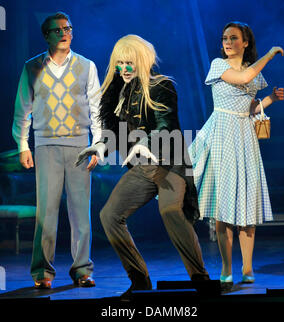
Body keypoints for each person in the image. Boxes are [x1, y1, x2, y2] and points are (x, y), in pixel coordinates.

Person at [76, 34, 210, 300]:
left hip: (169, 164)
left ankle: (200, 278)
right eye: (120, 64)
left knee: (171, 210)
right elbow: (111, 131)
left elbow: (166, 124)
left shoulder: (161, 86)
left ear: (142, 61)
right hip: (142, 168)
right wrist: (101, 147)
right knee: (109, 215)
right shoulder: (116, 93)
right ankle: (139, 279)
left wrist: (146, 142)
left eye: (130, 63)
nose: (124, 69)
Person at [188, 21, 284, 286]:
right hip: (222, 134)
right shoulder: (219, 65)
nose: (227, 42)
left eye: (233, 38)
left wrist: (270, 101)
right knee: (223, 207)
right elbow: (243, 79)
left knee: (246, 206)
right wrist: (271, 52)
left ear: (245, 42)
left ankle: (248, 268)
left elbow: (251, 107)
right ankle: (227, 268)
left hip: (244, 136)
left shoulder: (251, 72)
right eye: (224, 38)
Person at [12, 11, 101, 289]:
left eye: (68, 28)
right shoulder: (32, 67)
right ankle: (42, 273)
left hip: (78, 147)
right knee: (46, 214)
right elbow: (22, 109)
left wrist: (97, 144)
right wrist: (23, 144)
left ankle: (83, 270)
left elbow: (97, 108)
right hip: (47, 146)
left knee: (80, 214)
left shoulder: (87, 66)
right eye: (58, 29)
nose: (65, 33)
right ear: (46, 35)